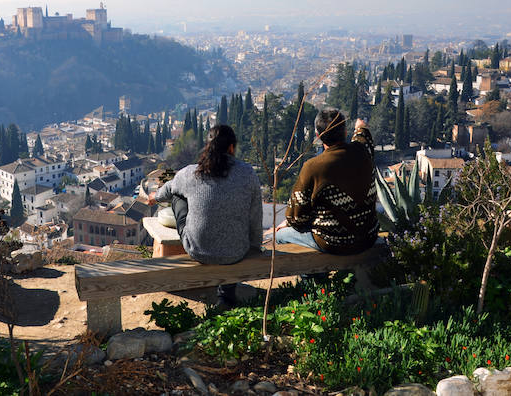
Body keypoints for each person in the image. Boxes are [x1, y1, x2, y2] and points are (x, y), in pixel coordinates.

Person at [155, 125, 263, 305]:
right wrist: (255, 245)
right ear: (231, 148)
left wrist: (154, 197)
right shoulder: (247, 173)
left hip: (197, 249)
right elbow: (255, 215)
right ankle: (226, 294)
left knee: (177, 196)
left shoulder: (191, 173)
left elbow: (165, 192)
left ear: (207, 146)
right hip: (237, 251)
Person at [276, 109, 378, 255]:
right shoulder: (363, 151)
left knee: (279, 235)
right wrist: (360, 127)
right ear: (344, 132)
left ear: (318, 136)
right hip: (368, 237)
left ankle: (311, 277)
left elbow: (297, 218)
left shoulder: (313, 167)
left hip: (334, 242)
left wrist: (288, 223)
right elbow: (363, 137)